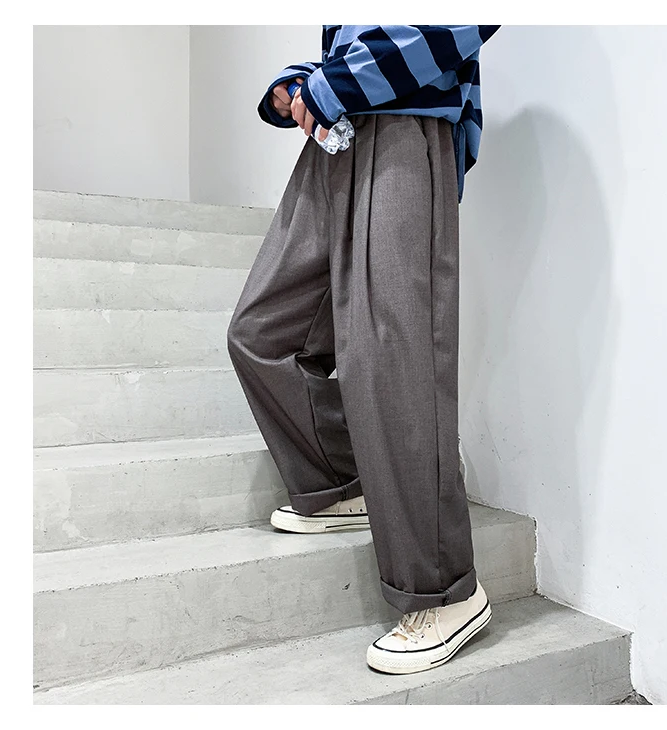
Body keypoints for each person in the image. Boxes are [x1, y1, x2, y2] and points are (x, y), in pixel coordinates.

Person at [227, 24, 501, 675]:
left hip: (407, 127)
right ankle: (340, 483)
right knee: (262, 332)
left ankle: (445, 591)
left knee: (390, 366)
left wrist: (335, 84)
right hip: (335, 135)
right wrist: (301, 83)